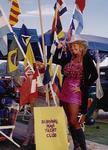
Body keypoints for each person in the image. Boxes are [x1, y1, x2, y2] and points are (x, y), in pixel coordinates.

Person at [53, 39, 98, 150]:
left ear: (81, 47)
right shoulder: (69, 57)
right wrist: (58, 48)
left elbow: (94, 75)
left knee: (74, 121)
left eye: (75, 46)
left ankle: (83, 148)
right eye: (72, 47)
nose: (73, 49)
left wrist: (82, 87)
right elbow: (55, 60)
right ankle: (76, 146)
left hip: (76, 91)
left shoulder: (86, 58)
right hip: (65, 90)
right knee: (70, 121)